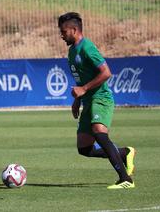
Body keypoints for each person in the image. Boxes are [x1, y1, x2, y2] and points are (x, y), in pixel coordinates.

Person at [58, 12, 136, 189]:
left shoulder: (87, 47)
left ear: (74, 29)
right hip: (88, 100)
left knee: (99, 133)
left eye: (64, 31)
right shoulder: (72, 52)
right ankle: (124, 153)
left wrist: (84, 89)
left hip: (101, 98)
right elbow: (80, 81)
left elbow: (106, 72)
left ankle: (125, 179)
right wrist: (78, 98)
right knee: (84, 148)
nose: (61, 35)